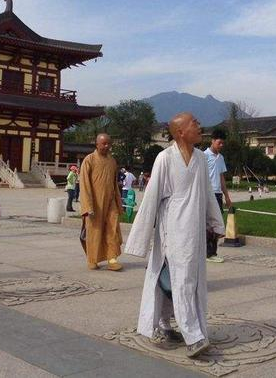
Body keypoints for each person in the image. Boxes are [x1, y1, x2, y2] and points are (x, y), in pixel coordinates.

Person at [125, 112, 225, 359]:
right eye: (194, 122)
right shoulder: (165, 158)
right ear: (180, 132)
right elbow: (150, 199)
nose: (200, 125)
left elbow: (207, 194)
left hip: (195, 231)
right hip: (173, 229)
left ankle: (163, 323)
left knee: (172, 280)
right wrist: (139, 239)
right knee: (181, 281)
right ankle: (193, 336)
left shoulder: (201, 158)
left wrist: (216, 223)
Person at [79, 134, 124, 271]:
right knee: (94, 231)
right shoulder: (89, 160)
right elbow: (85, 184)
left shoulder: (112, 161)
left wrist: (118, 202)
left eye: (108, 144)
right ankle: (92, 259)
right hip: (95, 203)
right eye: (104, 144)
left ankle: (112, 258)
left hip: (110, 202)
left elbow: (114, 184)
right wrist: (88, 206)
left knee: (113, 229)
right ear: (97, 144)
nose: (106, 146)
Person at [204, 129, 232, 264]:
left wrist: (227, 196)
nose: (221, 145)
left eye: (223, 143)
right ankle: (208, 253)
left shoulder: (220, 158)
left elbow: (221, 178)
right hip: (207, 194)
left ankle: (212, 252)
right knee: (208, 225)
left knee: (217, 224)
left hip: (217, 194)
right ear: (213, 141)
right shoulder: (204, 156)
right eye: (219, 143)